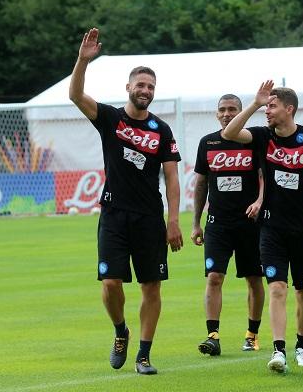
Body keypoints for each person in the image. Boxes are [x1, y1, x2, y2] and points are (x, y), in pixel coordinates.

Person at [69, 28, 184, 375]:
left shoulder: (162, 130)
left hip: (149, 218)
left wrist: (173, 220)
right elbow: (75, 95)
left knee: (152, 287)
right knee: (110, 283)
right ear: (129, 87)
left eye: (151, 86)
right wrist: (83, 61)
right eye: (140, 85)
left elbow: (172, 178)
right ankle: (121, 331)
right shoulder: (110, 118)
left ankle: (144, 356)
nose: (145, 90)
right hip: (114, 214)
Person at [223, 80, 303, 373]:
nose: (267, 111)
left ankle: (302, 345)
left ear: (289, 108)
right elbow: (229, 133)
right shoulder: (262, 136)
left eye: (272, 106)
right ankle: (278, 350)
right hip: (271, 228)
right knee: (277, 288)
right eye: (266, 106)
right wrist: (254, 103)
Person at [191, 94, 266, 356]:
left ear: (241, 112)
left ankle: (252, 334)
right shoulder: (207, 142)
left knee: (254, 278)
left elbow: (264, 177)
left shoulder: (252, 141)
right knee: (214, 277)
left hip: (250, 223)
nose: (226, 114)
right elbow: (201, 183)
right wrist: (196, 223)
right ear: (216, 114)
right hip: (218, 224)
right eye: (222, 109)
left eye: (232, 109)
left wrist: (260, 200)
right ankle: (212, 335)